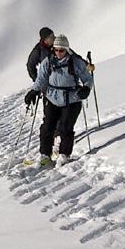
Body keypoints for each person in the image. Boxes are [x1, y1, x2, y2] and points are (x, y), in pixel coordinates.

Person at [25, 34, 94, 167]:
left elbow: (88, 79)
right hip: (52, 98)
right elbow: (41, 79)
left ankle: (64, 155)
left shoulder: (75, 62)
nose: (58, 52)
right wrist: (34, 91)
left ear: (67, 50)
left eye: (61, 50)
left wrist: (86, 89)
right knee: (47, 127)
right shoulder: (48, 62)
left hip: (72, 99)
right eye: (55, 49)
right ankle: (45, 155)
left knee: (66, 127)